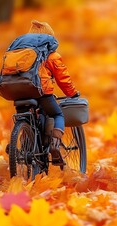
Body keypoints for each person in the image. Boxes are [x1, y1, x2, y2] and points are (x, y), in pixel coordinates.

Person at [28, 20, 80, 164]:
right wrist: (72, 94)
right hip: (42, 92)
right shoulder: (51, 56)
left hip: (17, 90)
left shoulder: (23, 53)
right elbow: (63, 78)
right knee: (57, 114)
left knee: (28, 114)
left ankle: (20, 140)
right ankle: (54, 145)